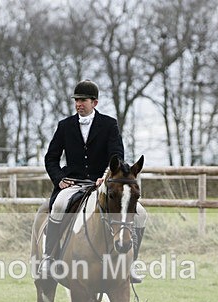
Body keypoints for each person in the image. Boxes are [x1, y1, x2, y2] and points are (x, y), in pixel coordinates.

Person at [40, 79, 146, 282]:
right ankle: (48, 258)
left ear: (94, 102)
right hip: (74, 182)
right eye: (76, 100)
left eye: (83, 100)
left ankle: (132, 264)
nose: (79, 104)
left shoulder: (109, 124)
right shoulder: (65, 126)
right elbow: (51, 158)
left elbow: (117, 154)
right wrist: (59, 179)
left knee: (141, 213)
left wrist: (106, 175)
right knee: (59, 204)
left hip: (103, 184)